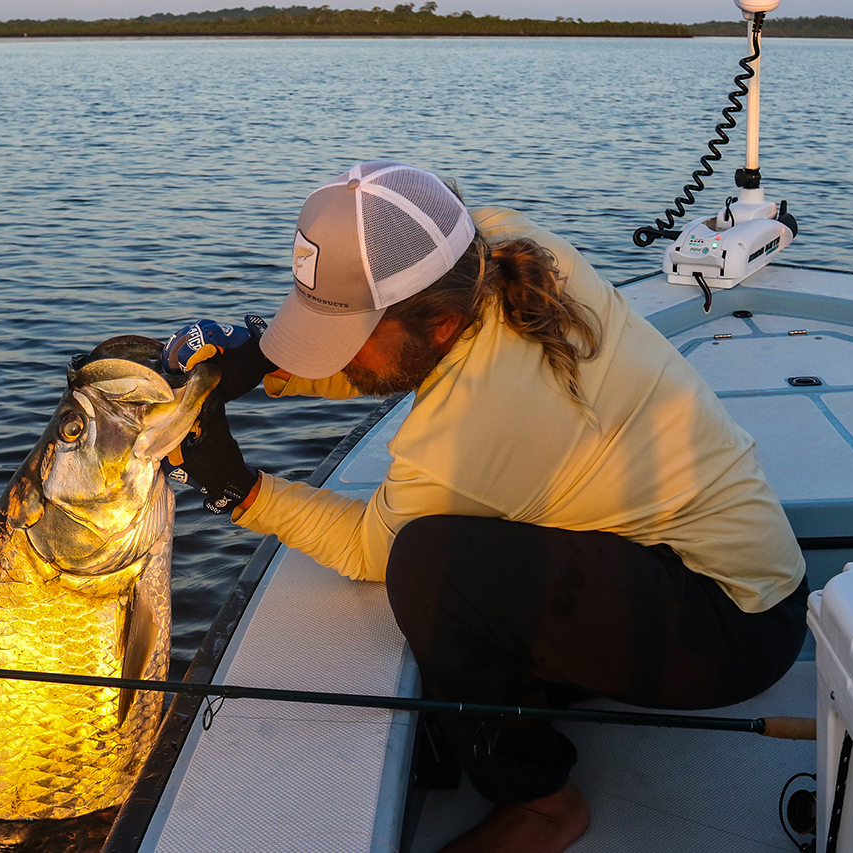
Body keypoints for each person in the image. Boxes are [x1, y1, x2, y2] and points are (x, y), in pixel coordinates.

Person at [161, 161, 808, 853]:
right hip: (718, 560)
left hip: (729, 628)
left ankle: (543, 805)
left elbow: (366, 549)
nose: (334, 353)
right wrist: (264, 364)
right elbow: (395, 357)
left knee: (430, 568)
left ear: (439, 323)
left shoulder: (473, 424)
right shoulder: (502, 245)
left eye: (343, 335)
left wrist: (242, 491)